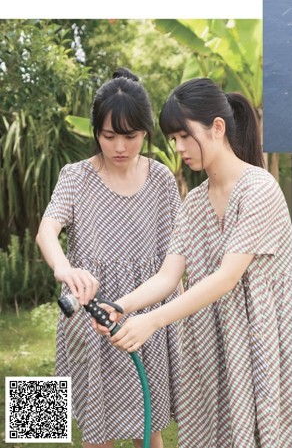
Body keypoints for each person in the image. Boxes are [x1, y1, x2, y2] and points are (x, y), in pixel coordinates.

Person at [94, 78, 292, 448]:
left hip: (254, 343)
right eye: (173, 139)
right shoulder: (194, 201)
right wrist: (122, 305)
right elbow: (169, 275)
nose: (179, 148)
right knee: (91, 415)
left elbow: (226, 279)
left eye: (185, 136)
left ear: (218, 127)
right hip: (197, 340)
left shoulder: (259, 188)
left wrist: (150, 319)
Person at [36, 68, 181, 448]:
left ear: (145, 132)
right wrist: (63, 268)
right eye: (108, 136)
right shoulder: (76, 176)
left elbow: (174, 261)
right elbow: (46, 231)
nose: (119, 146)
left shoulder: (162, 179)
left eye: (130, 136)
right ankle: (41, 432)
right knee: (96, 428)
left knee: (148, 424)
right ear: (95, 132)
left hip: (145, 313)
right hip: (91, 317)